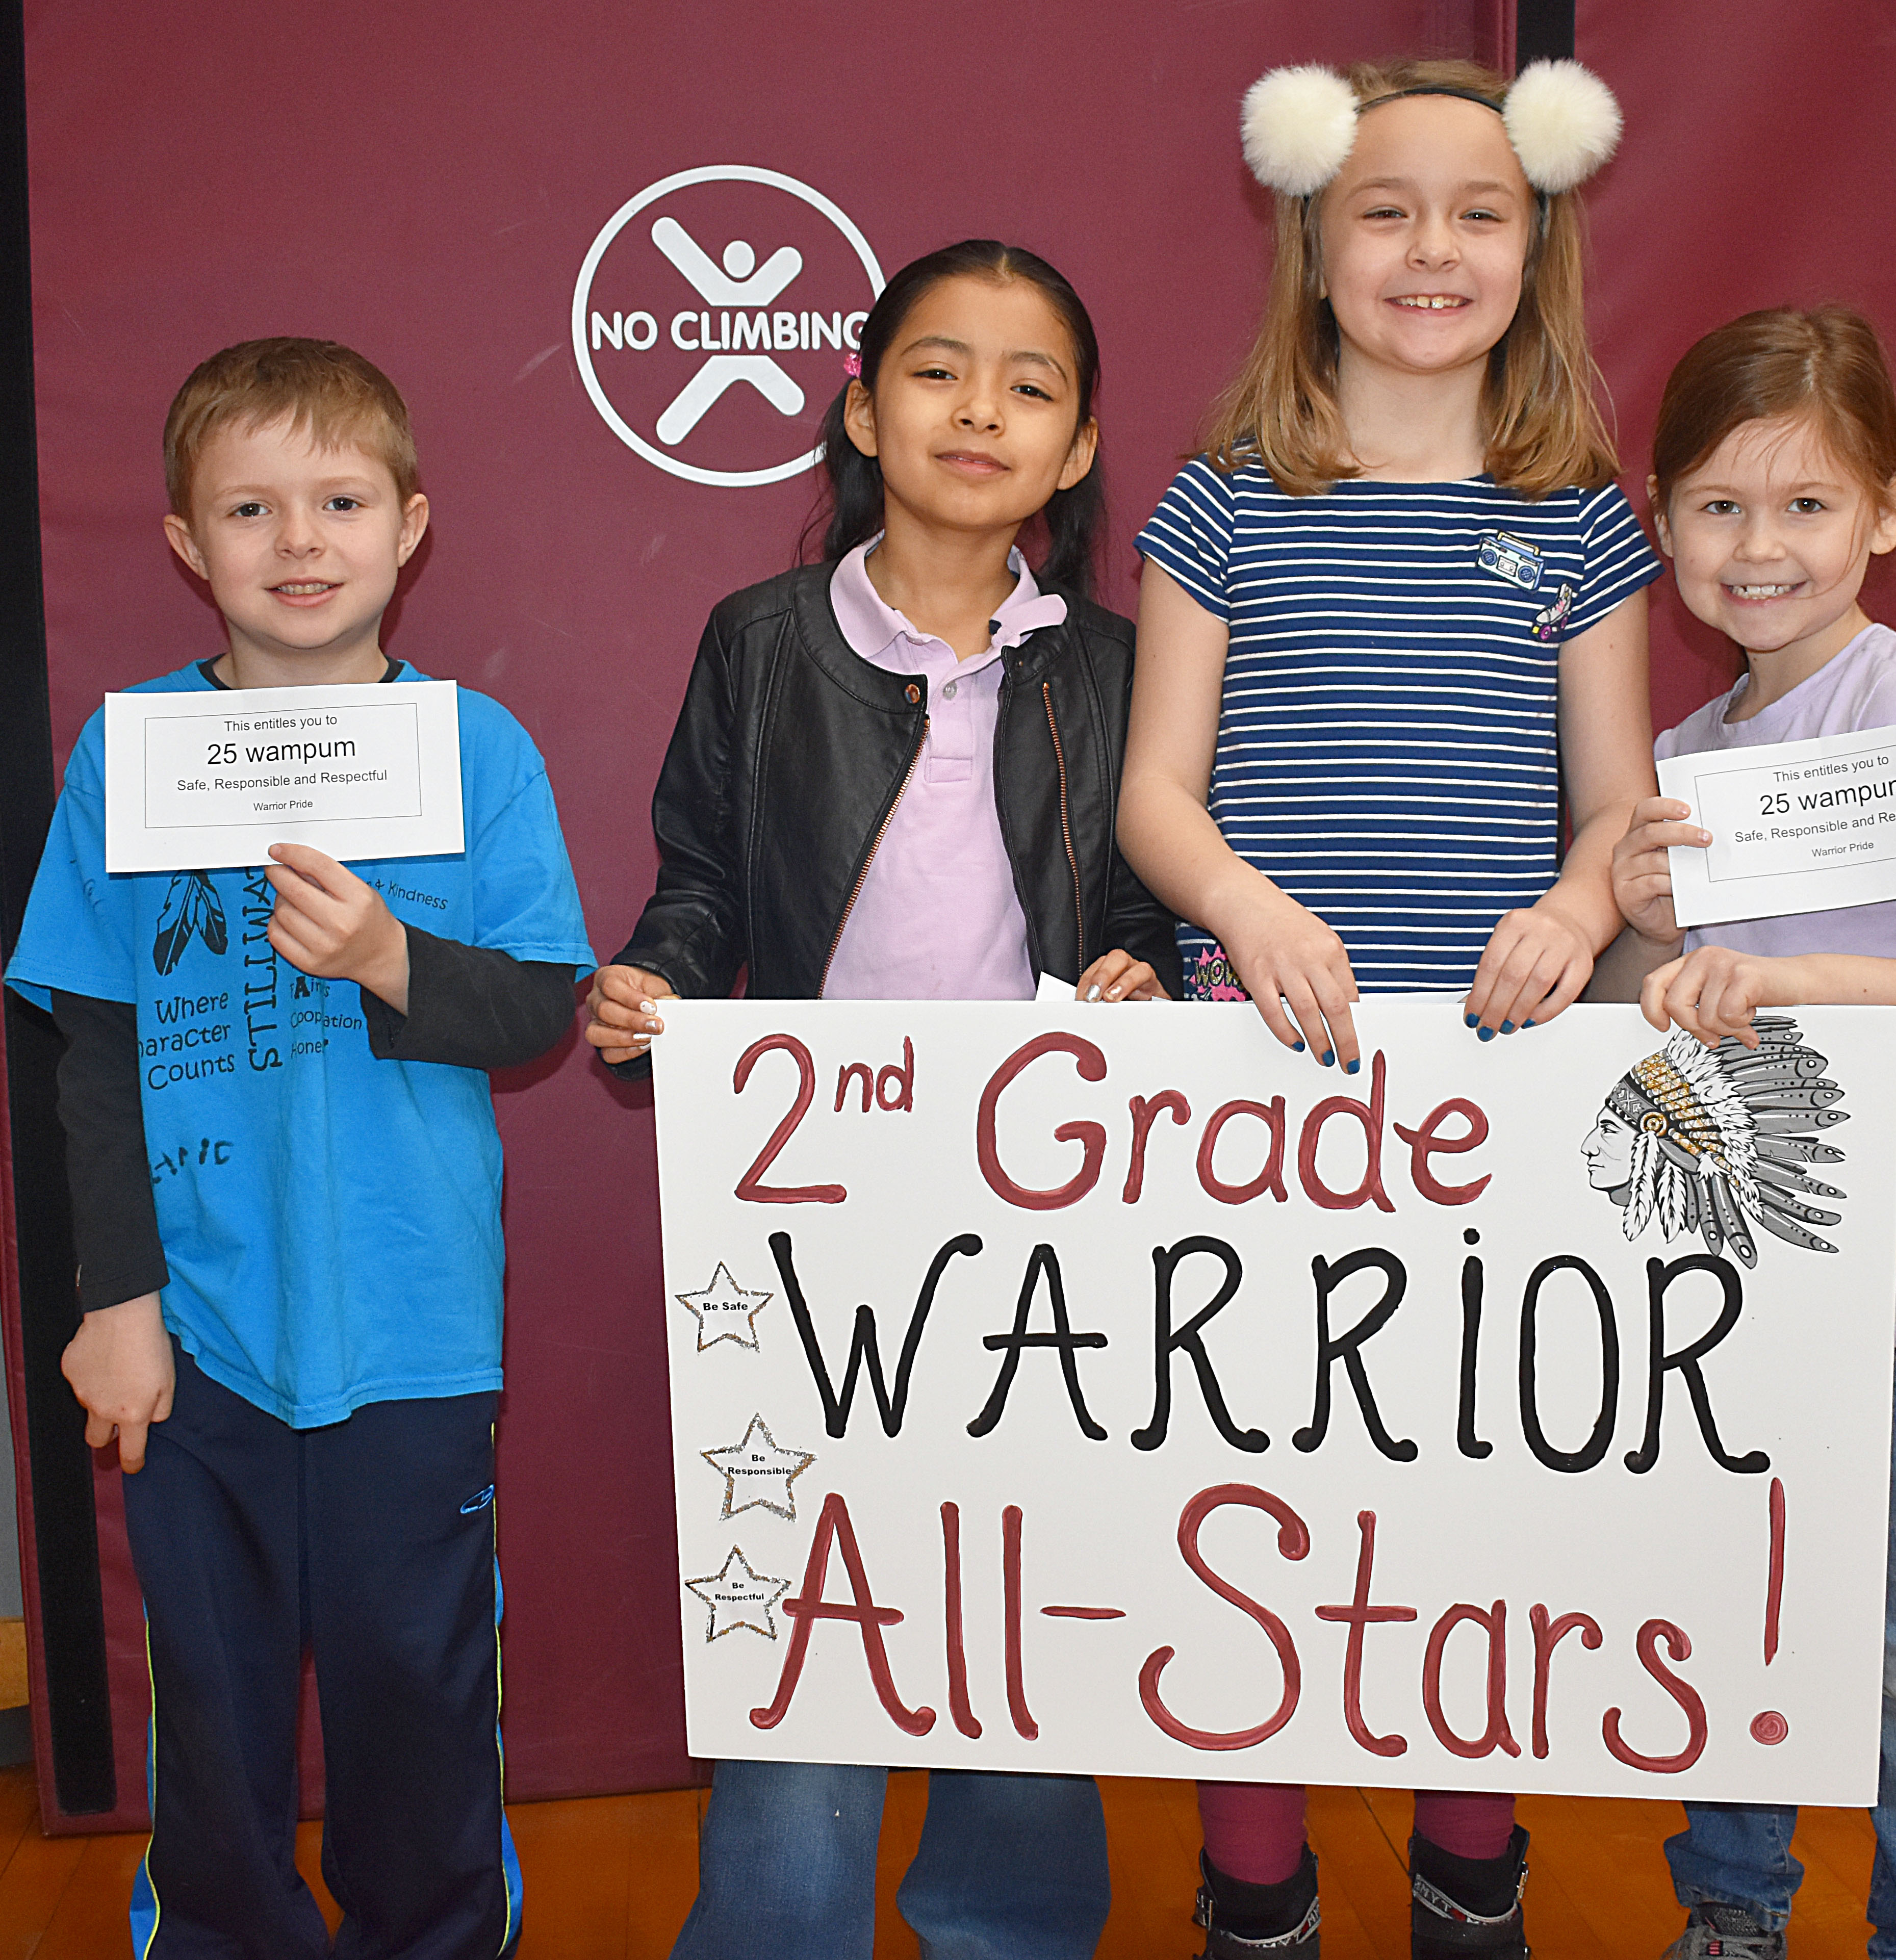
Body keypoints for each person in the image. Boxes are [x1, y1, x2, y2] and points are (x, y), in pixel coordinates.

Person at [1117, 53, 1661, 1960]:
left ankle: (1469, 1872)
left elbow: (1616, 809)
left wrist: (1579, 906)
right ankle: (1254, 1888)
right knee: (1253, 1486)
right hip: (1259, 1084)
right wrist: (1243, 905)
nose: (1433, 249)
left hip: (1497, 1092)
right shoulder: (1224, 500)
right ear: (1312, 238)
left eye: (1477, 212)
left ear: (1538, 243)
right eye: (1386, 209)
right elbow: (1155, 796)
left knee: (1473, 1494)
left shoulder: (1582, 516)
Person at [584, 239, 1176, 1960]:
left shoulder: (1117, 666)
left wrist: (1149, 974)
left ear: (1075, 451)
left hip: (1053, 1236)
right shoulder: (761, 641)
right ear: (859, 408)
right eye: (937, 368)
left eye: (1031, 383)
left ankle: (1011, 1931)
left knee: (1023, 1625)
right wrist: (658, 982)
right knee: (808, 1624)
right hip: (813, 1230)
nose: (978, 407)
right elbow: (700, 882)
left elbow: (1149, 908)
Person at [6, 337, 595, 1959]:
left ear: (411, 525)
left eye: (339, 500)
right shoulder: (129, 755)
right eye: (251, 509)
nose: (301, 541)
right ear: (190, 544)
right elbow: (93, 1039)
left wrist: (393, 956)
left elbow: (540, 1002)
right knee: (211, 1688)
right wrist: (115, 1298)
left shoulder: (476, 751)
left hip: (413, 1332)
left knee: (417, 1689)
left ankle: (434, 1934)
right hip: (199, 1337)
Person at [1596, 305, 1896, 1960]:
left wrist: (1792, 976)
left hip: (1880, 1304)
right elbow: (1653, 1020)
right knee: (1731, 1618)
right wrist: (1636, 929)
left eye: (1806, 505)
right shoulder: (1690, 752)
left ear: (1887, 510)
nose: (1761, 546)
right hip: (1723, 1285)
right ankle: (1736, 1911)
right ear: (1663, 523)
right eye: (1720, 506)